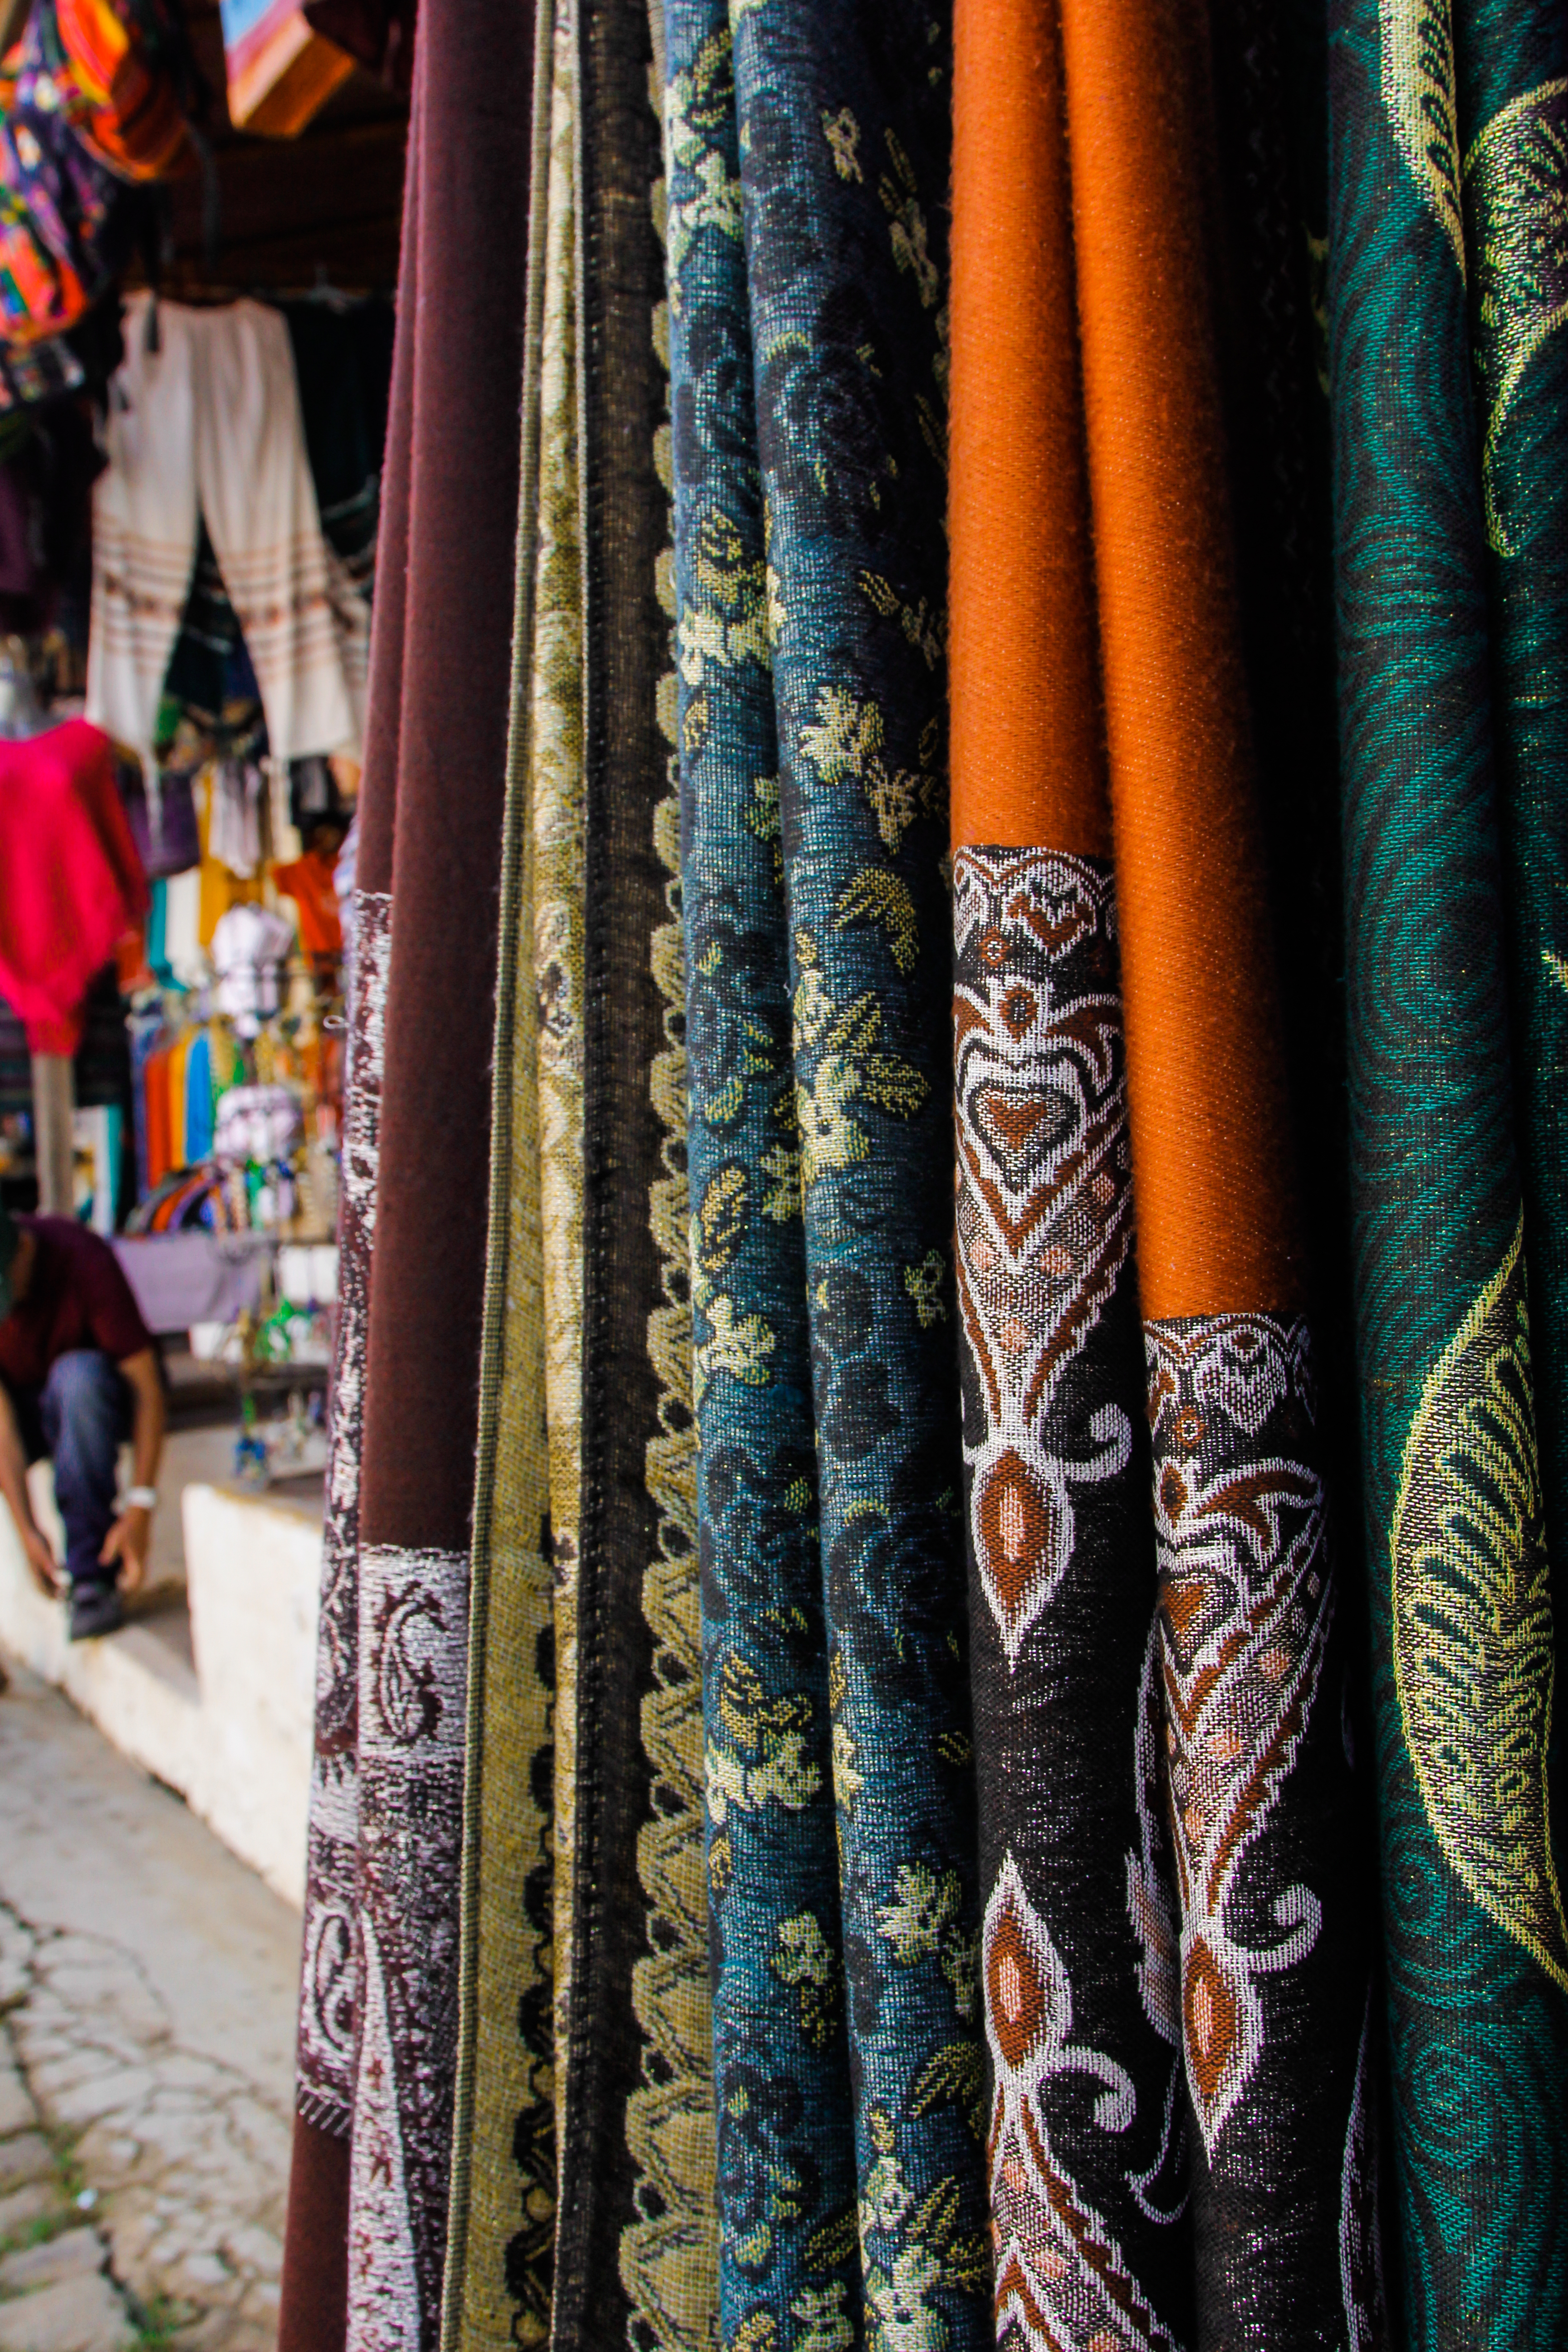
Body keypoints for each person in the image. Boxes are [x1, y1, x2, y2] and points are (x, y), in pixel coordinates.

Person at [0, 1200, 165, 1641]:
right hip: (27, 1415)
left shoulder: (82, 1257)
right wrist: (27, 1531)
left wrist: (141, 1504)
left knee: (78, 1379)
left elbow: (148, 1387)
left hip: (93, 1408)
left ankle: (92, 1576)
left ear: (23, 1249)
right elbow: (1, 1426)